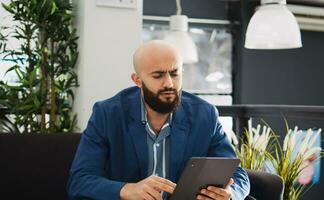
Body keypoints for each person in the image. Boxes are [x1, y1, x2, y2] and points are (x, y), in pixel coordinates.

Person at [67, 40, 250, 200]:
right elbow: (80, 181)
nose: (169, 83)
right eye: (158, 75)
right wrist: (127, 190)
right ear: (137, 80)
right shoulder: (107, 114)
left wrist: (230, 193)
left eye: (174, 73)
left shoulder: (205, 114)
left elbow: (238, 174)